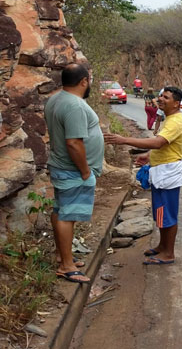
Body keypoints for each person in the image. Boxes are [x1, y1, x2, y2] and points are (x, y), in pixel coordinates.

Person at [104, 87, 182, 265]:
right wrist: (148, 155)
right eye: (161, 96)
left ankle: (168, 253)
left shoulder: (176, 121)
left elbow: (159, 142)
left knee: (168, 215)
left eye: (166, 97)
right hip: (161, 172)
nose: (161, 99)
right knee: (160, 213)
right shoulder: (169, 119)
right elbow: (165, 145)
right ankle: (162, 246)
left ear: (176, 103)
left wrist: (124, 140)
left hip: (168, 174)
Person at [44, 63, 104, 284]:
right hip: (73, 171)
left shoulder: (55, 99)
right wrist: (86, 171)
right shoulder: (75, 106)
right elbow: (74, 143)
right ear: (84, 81)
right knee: (67, 215)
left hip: (63, 168)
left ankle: (63, 256)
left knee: (60, 211)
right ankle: (66, 266)